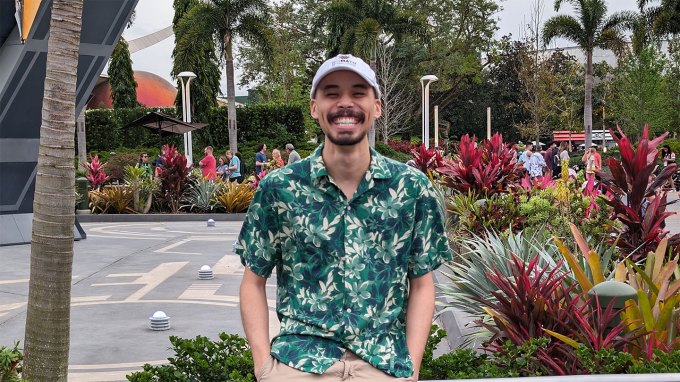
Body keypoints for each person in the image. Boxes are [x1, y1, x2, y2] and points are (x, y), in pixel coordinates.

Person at [237, 53, 452, 382]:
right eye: (332, 93)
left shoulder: (412, 188)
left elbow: (422, 283)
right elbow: (253, 280)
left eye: (358, 92)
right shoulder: (278, 188)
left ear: (376, 106)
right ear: (314, 107)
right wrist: (263, 367)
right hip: (299, 362)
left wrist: (412, 367)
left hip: (383, 364)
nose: (345, 103)